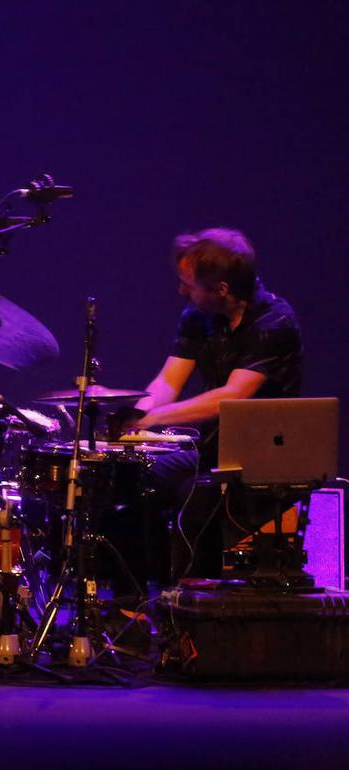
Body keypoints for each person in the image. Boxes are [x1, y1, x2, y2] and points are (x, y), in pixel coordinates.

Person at [122, 228, 303, 580]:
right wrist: (136, 413)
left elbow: (231, 398)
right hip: (213, 454)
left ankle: (191, 598)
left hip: (263, 459)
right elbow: (168, 381)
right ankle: (143, 596)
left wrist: (151, 420)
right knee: (134, 479)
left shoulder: (274, 323)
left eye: (188, 284)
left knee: (194, 496)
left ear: (221, 290)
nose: (180, 291)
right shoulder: (197, 318)